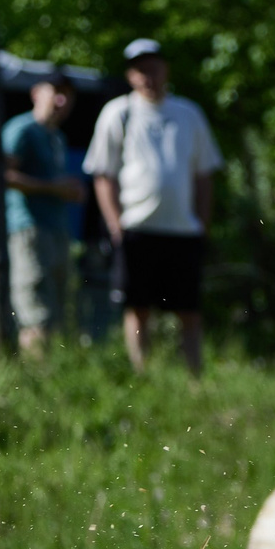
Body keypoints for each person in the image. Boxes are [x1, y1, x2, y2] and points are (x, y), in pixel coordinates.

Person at [85, 37, 219, 377]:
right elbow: (103, 174)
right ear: (130, 75)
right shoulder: (119, 113)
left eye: (153, 68)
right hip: (136, 228)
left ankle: (195, 379)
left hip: (182, 229)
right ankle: (142, 376)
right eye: (140, 69)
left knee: (189, 310)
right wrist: (115, 224)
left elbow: (205, 173)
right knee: (138, 307)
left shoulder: (189, 113)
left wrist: (203, 222)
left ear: (165, 70)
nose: (148, 76)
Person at [2, 71, 84, 355]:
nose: (61, 100)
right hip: (29, 230)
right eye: (55, 91)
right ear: (37, 93)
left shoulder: (57, 137)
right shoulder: (21, 130)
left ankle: (51, 383)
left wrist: (69, 190)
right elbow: (3, 175)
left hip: (57, 230)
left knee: (58, 313)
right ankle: (33, 386)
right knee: (35, 312)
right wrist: (53, 188)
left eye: (68, 95)